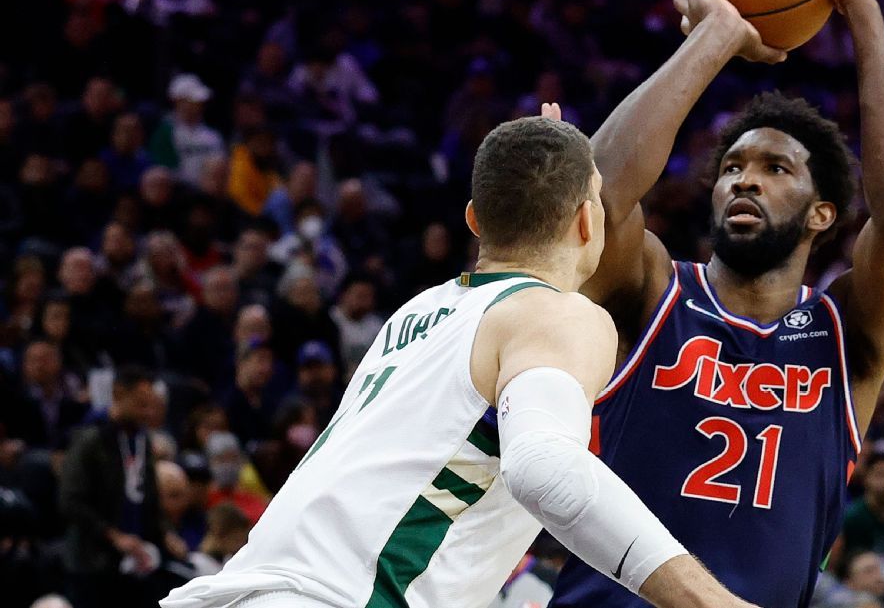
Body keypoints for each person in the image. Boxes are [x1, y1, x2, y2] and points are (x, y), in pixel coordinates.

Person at [162, 117, 755, 607]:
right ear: (585, 220)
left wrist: (547, 156)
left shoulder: (419, 312)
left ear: (474, 219)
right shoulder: (559, 314)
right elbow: (545, 467)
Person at [552, 0, 884, 607]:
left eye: (775, 168)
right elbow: (592, 196)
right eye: (732, 167)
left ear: (824, 214)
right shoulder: (652, 290)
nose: (744, 180)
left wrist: (863, 8)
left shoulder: (847, 333)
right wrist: (717, 35)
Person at [59, 367, 167, 608]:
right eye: (141, 405)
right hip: (92, 565)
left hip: (133, 565)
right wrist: (114, 536)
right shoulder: (90, 439)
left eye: (151, 406)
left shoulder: (142, 441)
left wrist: (165, 533)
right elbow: (70, 501)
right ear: (118, 394)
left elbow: (147, 497)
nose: (148, 413)